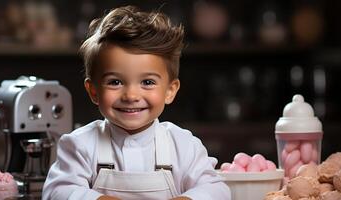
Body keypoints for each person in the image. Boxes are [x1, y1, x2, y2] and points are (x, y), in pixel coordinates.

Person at [42, 5, 230, 200]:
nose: (131, 95)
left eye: (147, 82)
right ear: (94, 91)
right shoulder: (80, 145)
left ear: (169, 90)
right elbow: (57, 191)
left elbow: (217, 189)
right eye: (115, 82)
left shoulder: (184, 145)